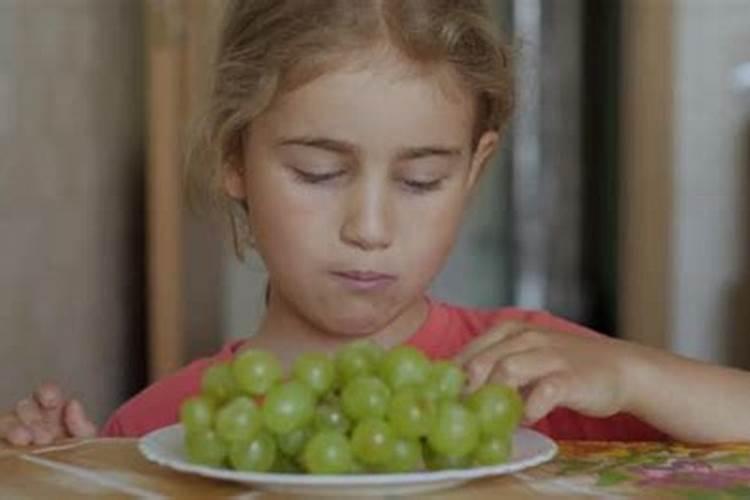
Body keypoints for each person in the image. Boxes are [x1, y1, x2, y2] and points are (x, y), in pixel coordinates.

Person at [3, 0, 750, 448]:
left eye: (422, 180)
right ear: (235, 157)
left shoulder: (530, 369)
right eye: (319, 172)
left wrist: (634, 373)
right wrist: (77, 476)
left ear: (473, 169)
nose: (369, 227)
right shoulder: (161, 427)